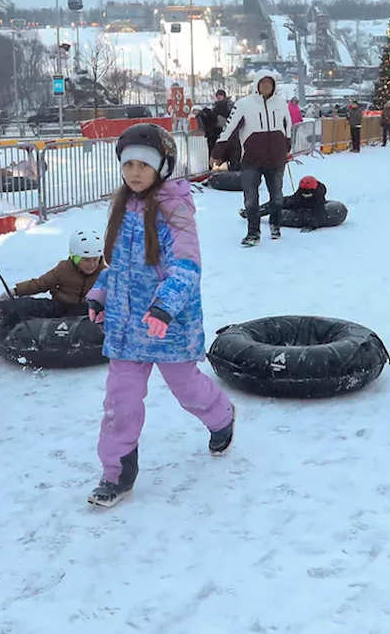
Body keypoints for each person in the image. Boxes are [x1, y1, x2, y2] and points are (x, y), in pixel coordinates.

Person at [86, 124, 235, 508]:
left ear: (163, 166)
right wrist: (101, 295)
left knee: (187, 389)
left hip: (169, 325)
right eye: (128, 164)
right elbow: (115, 265)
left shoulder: (174, 208)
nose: (134, 172)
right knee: (120, 403)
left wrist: (164, 306)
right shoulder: (121, 206)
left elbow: (186, 267)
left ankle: (221, 417)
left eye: (144, 164)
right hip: (125, 329)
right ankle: (116, 475)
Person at [211, 70, 291, 246]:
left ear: (274, 85)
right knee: (251, 199)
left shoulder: (281, 102)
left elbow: (288, 124)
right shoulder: (244, 105)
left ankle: (275, 224)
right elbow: (228, 129)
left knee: (277, 197)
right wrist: (217, 153)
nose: (265, 86)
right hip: (252, 160)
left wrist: (287, 144)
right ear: (256, 85)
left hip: (276, 159)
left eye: (269, 83)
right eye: (262, 83)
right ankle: (253, 233)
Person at [0, 229, 104, 323]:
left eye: (95, 259)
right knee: (37, 305)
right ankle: (0, 308)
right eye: (87, 260)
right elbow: (41, 283)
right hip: (62, 306)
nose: (92, 265)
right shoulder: (64, 269)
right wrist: (15, 291)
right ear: (75, 258)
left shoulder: (103, 272)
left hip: (87, 309)